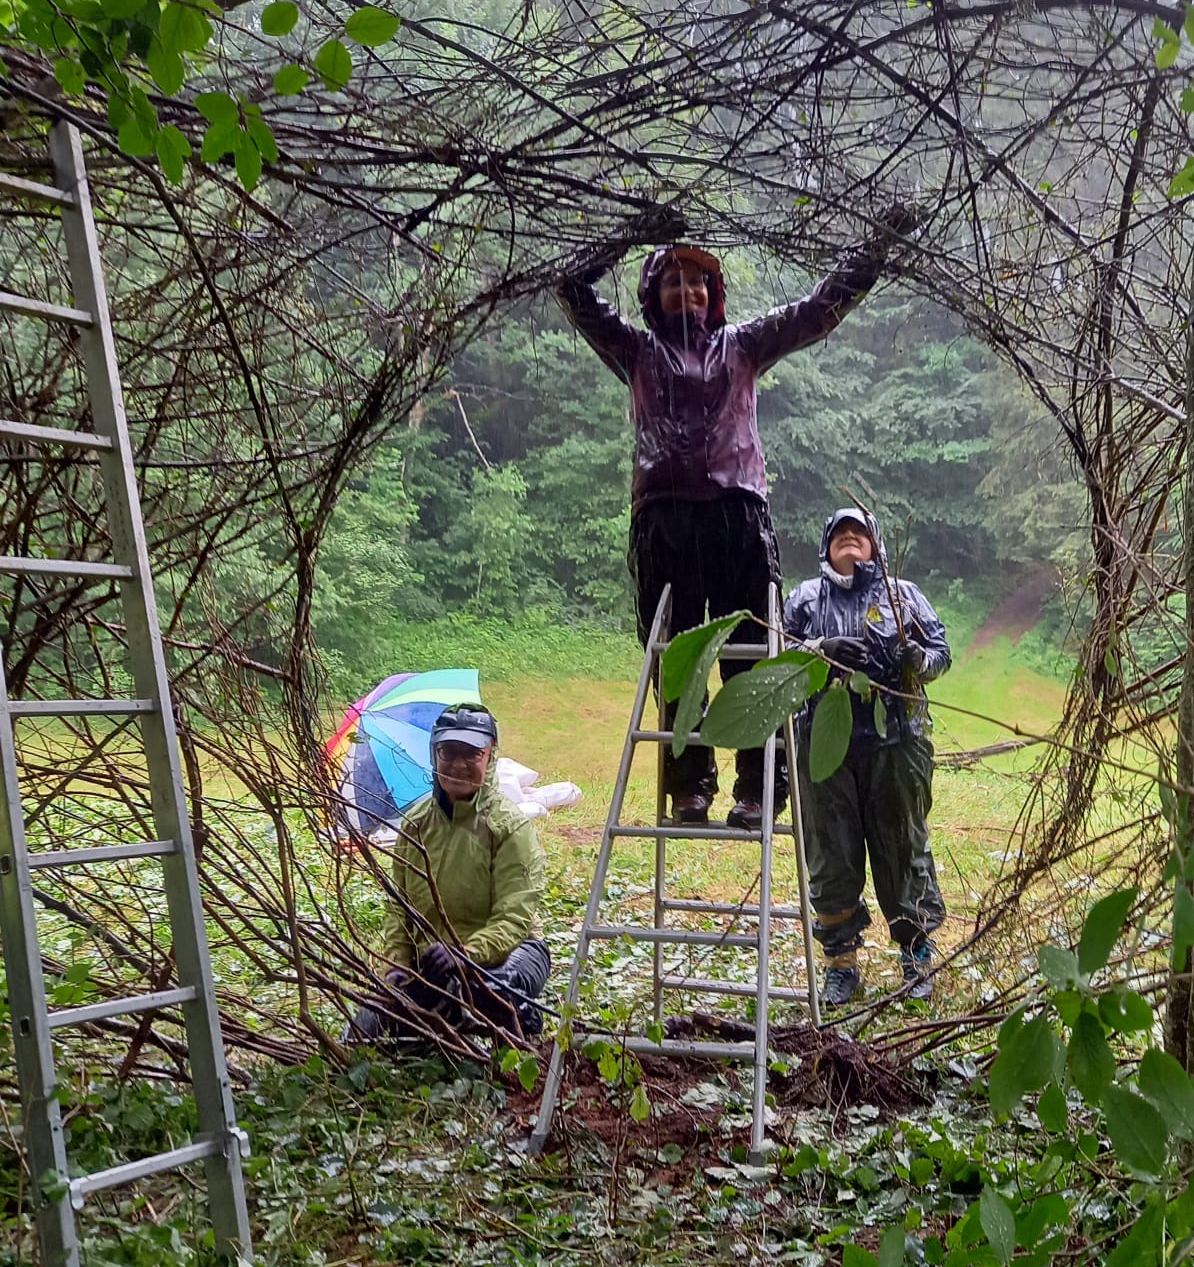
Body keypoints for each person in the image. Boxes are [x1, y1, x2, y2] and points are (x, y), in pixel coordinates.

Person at [556, 218, 908, 828]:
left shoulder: (743, 345)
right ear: (652, 294)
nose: (687, 293)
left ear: (714, 294)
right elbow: (570, 287)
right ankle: (688, 783)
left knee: (752, 658)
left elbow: (820, 309)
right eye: (672, 282)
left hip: (739, 515)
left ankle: (759, 786)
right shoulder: (637, 351)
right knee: (678, 660)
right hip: (664, 521)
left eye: (698, 282)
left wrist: (876, 246)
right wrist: (634, 230)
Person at [783, 506, 950, 1008]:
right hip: (824, 748)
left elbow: (941, 651)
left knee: (904, 849)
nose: (850, 539)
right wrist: (818, 648)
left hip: (896, 744)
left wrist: (917, 658)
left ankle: (917, 956)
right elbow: (780, 657)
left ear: (875, 544)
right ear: (826, 547)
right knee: (830, 857)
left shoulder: (904, 597)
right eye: (840, 534)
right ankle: (841, 966)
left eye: (860, 533)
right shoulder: (805, 600)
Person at [347, 703, 551, 1044]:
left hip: (510, 955)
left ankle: (520, 1017)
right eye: (448, 752)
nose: (458, 764)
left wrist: (465, 954)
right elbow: (399, 910)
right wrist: (397, 965)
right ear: (434, 755)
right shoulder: (415, 824)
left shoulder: (509, 827)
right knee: (367, 1030)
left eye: (472, 754)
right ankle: (440, 1014)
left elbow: (515, 918)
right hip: (437, 964)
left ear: (490, 757)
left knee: (488, 989)